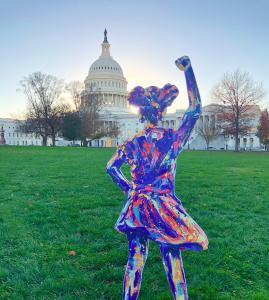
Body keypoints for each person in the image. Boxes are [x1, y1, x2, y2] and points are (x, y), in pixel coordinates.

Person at [106, 56, 208, 300]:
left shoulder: (132, 143)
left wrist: (129, 189)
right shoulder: (172, 139)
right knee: (172, 258)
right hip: (164, 205)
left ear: (141, 113)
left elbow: (111, 168)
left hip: (138, 205)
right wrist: (188, 71)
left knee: (135, 260)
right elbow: (195, 110)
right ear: (161, 112)